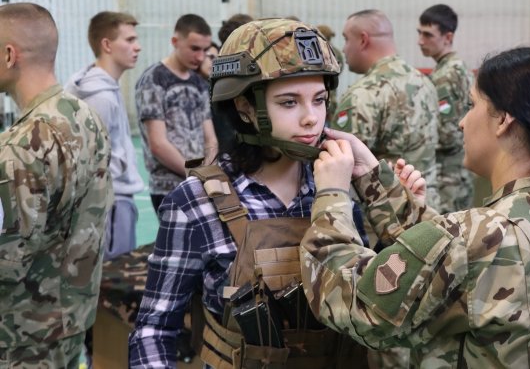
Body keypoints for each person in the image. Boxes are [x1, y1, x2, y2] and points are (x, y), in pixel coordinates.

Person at [301, 47, 530, 368]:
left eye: (471, 106)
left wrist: (332, 193)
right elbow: (446, 259)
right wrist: (374, 178)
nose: (460, 122)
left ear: (503, 120)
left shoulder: (471, 237)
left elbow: (354, 303)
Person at [129, 18, 368, 368]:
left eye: (319, 100)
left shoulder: (337, 189)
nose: (311, 119)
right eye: (289, 103)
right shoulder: (196, 202)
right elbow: (154, 329)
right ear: (244, 108)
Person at [0, 2, 113, 366]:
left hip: (21, 332)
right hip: (71, 316)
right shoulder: (85, 116)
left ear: (8, 55)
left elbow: (8, 260)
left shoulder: (19, 147)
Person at [334, 9, 439, 207]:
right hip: (428, 206)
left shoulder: (363, 94)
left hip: (387, 217)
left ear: (363, 40)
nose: (344, 48)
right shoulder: (426, 83)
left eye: (347, 39)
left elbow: (342, 168)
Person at [65, 11, 144, 260]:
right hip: (111, 203)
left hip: (114, 201)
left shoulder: (104, 87)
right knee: (113, 279)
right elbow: (89, 161)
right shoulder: (101, 97)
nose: (138, 47)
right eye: (129, 40)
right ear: (107, 45)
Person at [135, 13, 218, 213]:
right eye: (194, 48)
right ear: (175, 41)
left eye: (205, 50)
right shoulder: (154, 79)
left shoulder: (199, 83)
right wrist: (195, 175)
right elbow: (158, 144)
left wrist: (207, 173)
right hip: (168, 189)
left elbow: (210, 139)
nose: (200, 57)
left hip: (199, 186)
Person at [418, 4, 473, 212]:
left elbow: (448, 134)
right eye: (419, 33)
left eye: (428, 35)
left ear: (447, 37)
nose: (420, 41)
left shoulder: (446, 75)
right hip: (459, 170)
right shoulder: (456, 67)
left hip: (449, 174)